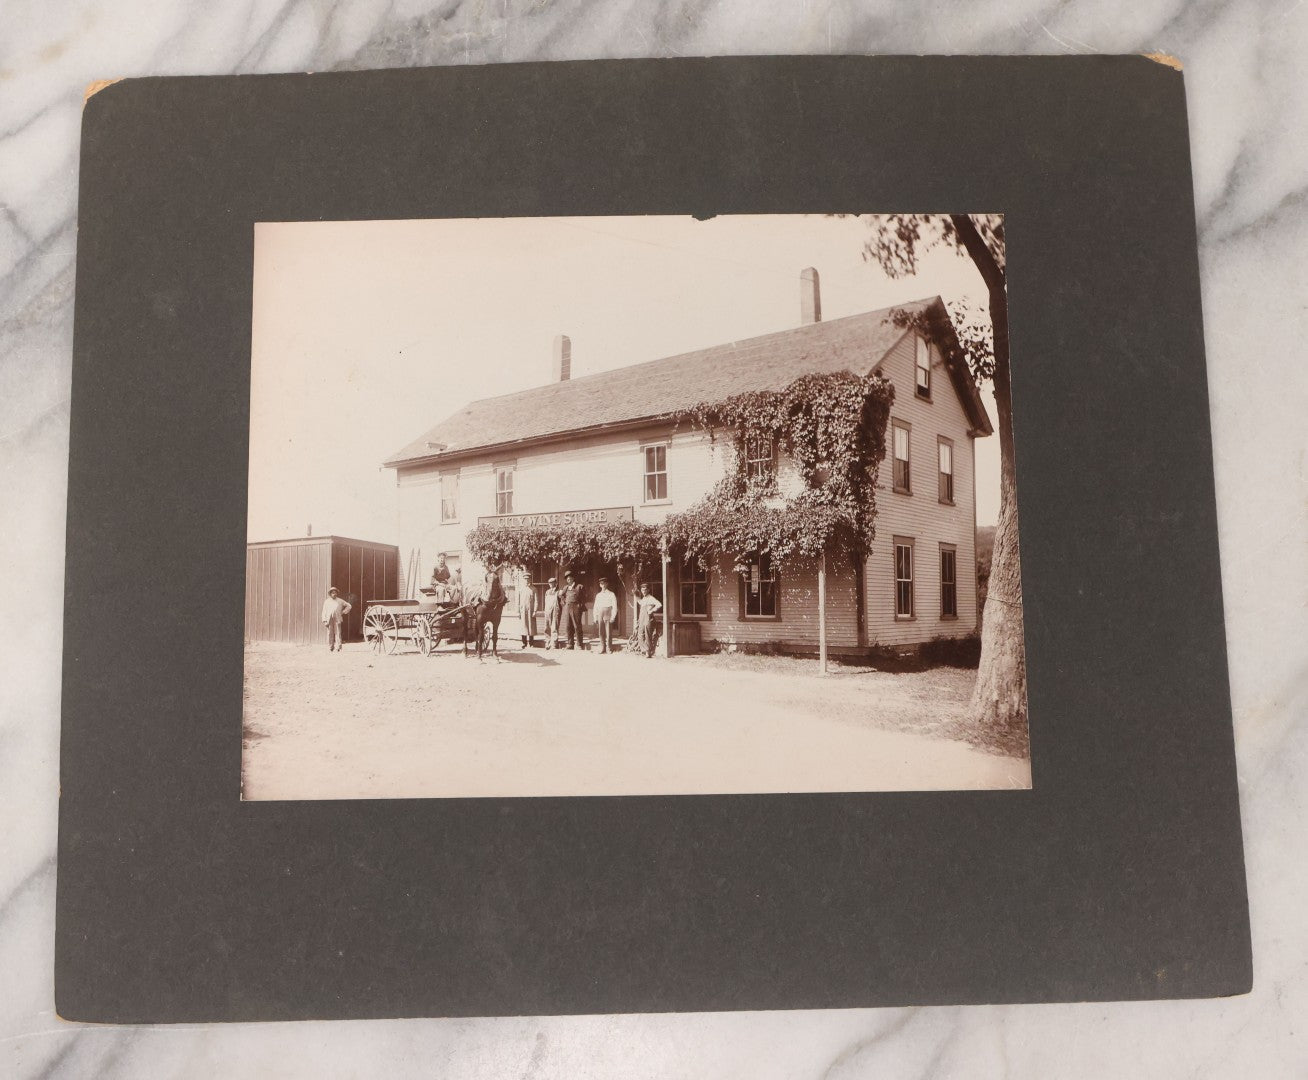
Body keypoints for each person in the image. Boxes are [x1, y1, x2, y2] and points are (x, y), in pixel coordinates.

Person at [320, 586, 352, 653]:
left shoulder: (340, 601)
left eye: (335, 593)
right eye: (332, 593)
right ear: (330, 594)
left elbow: (349, 606)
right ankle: (331, 647)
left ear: (337, 593)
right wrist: (324, 620)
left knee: (338, 633)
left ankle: (338, 647)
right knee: (330, 633)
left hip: (337, 618)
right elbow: (324, 611)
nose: (334, 594)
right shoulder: (327, 601)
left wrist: (343, 612)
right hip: (329, 619)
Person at [559, 570, 586, 650]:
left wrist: (580, 605)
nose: (569, 579)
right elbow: (562, 597)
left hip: (576, 608)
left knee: (577, 626)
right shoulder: (565, 588)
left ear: (573, 578)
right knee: (568, 626)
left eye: (570, 578)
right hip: (567, 608)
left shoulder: (579, 587)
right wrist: (564, 603)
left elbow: (585, 597)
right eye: (567, 579)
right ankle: (570, 644)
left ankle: (579, 644)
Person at [635, 583, 663, 659]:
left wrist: (651, 610)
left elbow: (659, 604)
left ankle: (648, 652)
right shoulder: (644, 598)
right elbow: (640, 602)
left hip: (648, 617)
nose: (643, 591)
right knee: (640, 634)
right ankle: (645, 650)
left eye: (645, 590)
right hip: (642, 618)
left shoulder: (651, 598)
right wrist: (636, 596)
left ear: (648, 590)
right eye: (642, 590)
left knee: (647, 634)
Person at [592, 577, 618, 654]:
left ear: (607, 584)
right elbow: (595, 606)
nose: (603, 585)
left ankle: (609, 648)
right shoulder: (598, 595)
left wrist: (613, 616)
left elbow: (614, 606)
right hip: (600, 613)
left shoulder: (611, 594)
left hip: (608, 612)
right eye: (601, 584)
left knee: (608, 632)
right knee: (601, 632)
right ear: (600, 585)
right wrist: (595, 617)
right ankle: (602, 647)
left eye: (604, 583)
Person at [517, 567, 538, 648]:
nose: (527, 580)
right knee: (523, 626)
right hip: (523, 610)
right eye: (525, 579)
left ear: (530, 579)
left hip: (531, 610)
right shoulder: (521, 589)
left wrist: (535, 611)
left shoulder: (534, 589)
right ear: (523, 580)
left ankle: (531, 643)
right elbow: (518, 601)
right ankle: (524, 643)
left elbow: (536, 601)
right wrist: (518, 612)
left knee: (531, 626)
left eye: (528, 579)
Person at [542, 576, 561, 649]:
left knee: (554, 627)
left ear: (555, 583)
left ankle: (554, 643)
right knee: (547, 627)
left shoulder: (558, 592)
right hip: (547, 610)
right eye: (550, 583)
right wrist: (545, 610)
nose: (551, 584)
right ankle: (547, 642)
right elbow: (545, 602)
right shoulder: (547, 592)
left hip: (555, 610)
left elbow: (562, 602)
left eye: (552, 583)